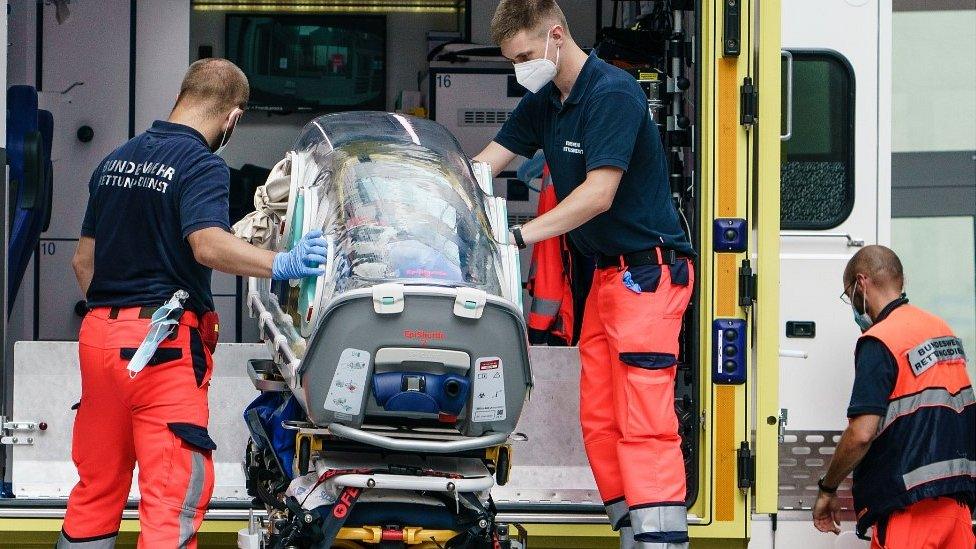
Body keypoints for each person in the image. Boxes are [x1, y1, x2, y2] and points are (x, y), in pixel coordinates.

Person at [61, 58, 327, 548]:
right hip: (161, 349)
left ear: (183, 95)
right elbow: (207, 244)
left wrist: (116, 321)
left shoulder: (115, 160)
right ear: (232, 118)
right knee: (171, 497)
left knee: (96, 487)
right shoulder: (202, 165)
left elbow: (83, 262)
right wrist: (281, 261)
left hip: (98, 341)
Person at [474, 1, 695, 547]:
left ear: (555, 36)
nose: (519, 68)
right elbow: (484, 165)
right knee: (599, 415)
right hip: (607, 279)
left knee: (642, 417)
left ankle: (659, 539)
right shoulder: (548, 102)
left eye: (524, 56)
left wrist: (518, 236)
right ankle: (629, 527)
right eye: (512, 61)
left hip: (648, 275)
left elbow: (599, 194)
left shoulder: (612, 93)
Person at [813, 245, 975, 548]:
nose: (854, 306)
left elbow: (861, 433)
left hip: (909, 509)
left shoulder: (880, 339)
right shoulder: (943, 332)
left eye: (850, 297)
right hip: (957, 510)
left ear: (861, 283)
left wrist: (827, 488)